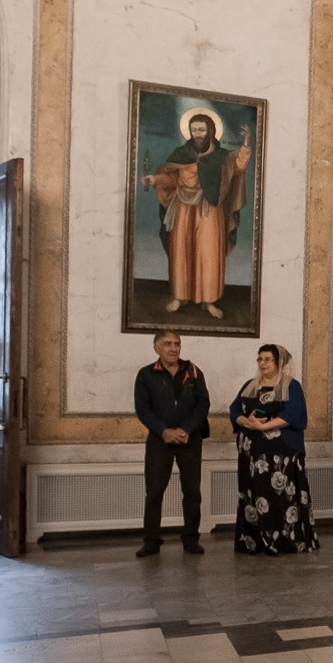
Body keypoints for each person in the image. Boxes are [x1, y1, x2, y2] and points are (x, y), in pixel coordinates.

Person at [143, 107, 251, 319]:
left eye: (201, 130)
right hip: (183, 208)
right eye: (194, 130)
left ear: (210, 130)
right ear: (189, 132)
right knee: (181, 251)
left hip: (210, 209)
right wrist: (156, 180)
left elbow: (238, 166)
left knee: (208, 254)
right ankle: (180, 296)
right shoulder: (181, 155)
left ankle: (208, 301)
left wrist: (246, 144)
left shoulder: (221, 156)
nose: (198, 134)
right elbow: (173, 178)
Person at [229, 342, 317, 555]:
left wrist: (264, 426)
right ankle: (255, 541)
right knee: (254, 495)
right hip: (252, 456)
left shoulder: (290, 386)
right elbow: (234, 409)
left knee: (279, 497)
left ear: (279, 362)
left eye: (267, 359)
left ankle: (283, 541)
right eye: (260, 359)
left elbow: (293, 414)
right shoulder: (251, 385)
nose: (262, 363)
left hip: (281, 454)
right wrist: (245, 421)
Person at [134, 330, 210, 557]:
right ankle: (151, 541)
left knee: (192, 492)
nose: (173, 348)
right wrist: (163, 431)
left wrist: (187, 429)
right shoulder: (146, 375)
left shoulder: (193, 371)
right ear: (157, 347)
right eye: (167, 344)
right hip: (160, 441)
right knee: (155, 492)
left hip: (190, 439)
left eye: (177, 343)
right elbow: (143, 409)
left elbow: (203, 404)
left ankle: (190, 539)